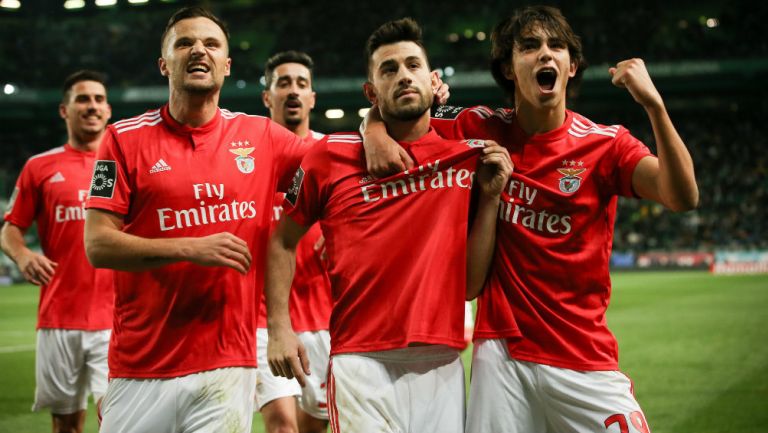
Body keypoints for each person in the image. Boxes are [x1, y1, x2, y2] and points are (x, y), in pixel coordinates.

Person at [363, 6, 699, 433]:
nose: (545, 54)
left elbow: (682, 195)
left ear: (571, 66)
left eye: (556, 46)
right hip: (502, 357)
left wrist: (654, 105)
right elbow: (399, 108)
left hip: (583, 357)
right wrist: (372, 130)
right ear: (508, 67)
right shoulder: (477, 127)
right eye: (530, 46)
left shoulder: (606, 145)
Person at [266, 18, 513, 433]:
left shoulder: (463, 152)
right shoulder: (330, 156)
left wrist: (489, 199)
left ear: (432, 80)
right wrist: (278, 328)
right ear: (371, 92)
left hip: (442, 360)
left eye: (412, 65)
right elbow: (281, 241)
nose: (403, 76)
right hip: (361, 361)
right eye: (388, 70)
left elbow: (470, 286)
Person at [83, 7, 308, 433]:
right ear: (164, 63)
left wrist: (372, 126)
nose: (198, 50)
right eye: (184, 43)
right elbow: (97, 245)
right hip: (140, 365)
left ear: (226, 65)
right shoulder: (122, 139)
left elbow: (336, 160)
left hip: (225, 362)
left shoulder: (261, 136)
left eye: (211, 44)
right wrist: (191, 247)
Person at [1, 70, 114, 433]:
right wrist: (23, 256)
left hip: (116, 320)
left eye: (98, 99)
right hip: (59, 318)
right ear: (64, 110)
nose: (92, 106)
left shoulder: (120, 166)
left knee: (120, 419)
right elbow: (11, 229)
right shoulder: (40, 166)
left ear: (108, 110)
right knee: (65, 424)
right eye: (83, 99)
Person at [257, 50, 331, 433]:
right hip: (264, 319)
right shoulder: (249, 158)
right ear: (267, 97)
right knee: (281, 425)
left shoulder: (331, 155)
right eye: (283, 83)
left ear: (312, 98)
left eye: (301, 84)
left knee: (314, 425)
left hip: (324, 316)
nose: (293, 91)